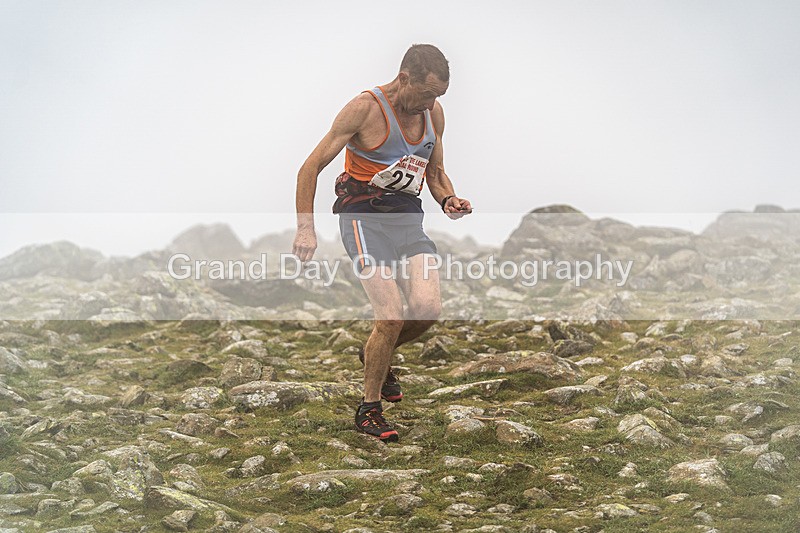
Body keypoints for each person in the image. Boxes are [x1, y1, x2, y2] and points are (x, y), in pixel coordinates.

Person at [292, 44, 472, 442]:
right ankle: (369, 409)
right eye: (427, 94)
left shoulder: (433, 114)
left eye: (438, 96)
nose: (431, 104)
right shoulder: (364, 109)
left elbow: (435, 172)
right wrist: (306, 228)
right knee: (389, 317)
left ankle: (376, 351)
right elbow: (310, 167)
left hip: (407, 219)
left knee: (427, 309)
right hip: (363, 220)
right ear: (404, 78)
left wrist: (448, 199)